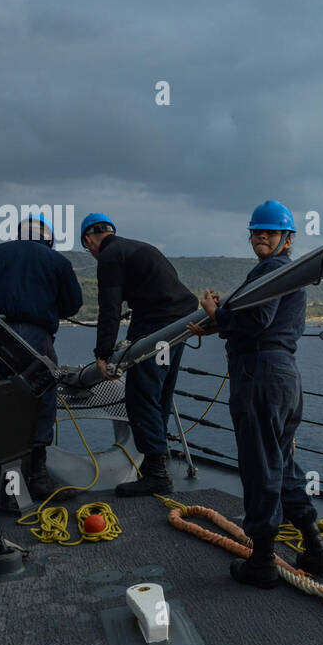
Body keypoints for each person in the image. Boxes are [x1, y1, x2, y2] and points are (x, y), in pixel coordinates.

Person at [185, 201, 323, 587]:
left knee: (260, 466)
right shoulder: (289, 272)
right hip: (284, 377)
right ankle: (315, 547)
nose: (261, 236)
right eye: (257, 231)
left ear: (286, 239)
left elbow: (255, 321)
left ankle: (262, 563)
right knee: (281, 462)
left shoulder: (269, 272)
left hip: (259, 377)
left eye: (269, 231)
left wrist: (216, 314)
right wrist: (217, 324)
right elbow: (264, 323)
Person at [0, 214, 82, 501]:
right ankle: (37, 475)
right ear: (48, 238)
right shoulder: (58, 262)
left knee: (4, 394)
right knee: (42, 396)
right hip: (35, 336)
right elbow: (73, 304)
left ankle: (0, 475)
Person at [81, 212, 198, 496]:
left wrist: (104, 354)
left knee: (141, 394)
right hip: (180, 324)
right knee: (159, 394)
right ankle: (156, 464)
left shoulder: (109, 256)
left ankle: (156, 473)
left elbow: (109, 307)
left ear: (89, 241)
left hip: (156, 328)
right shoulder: (141, 247)